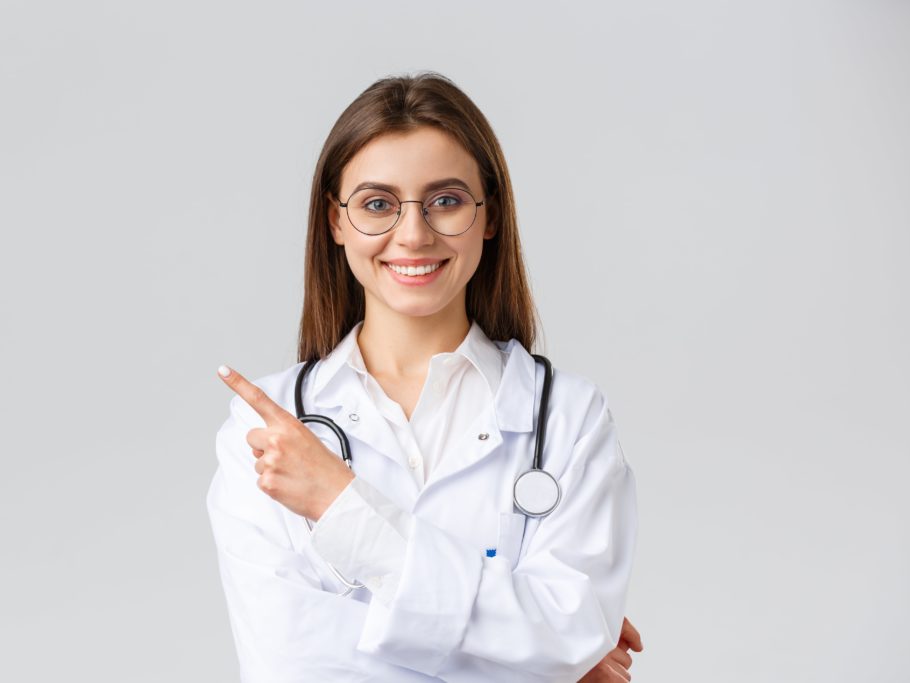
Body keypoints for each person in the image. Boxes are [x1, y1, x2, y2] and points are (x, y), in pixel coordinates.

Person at [207, 71, 642, 682]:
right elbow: (294, 666)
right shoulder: (266, 428)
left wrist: (342, 506)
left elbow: (570, 634)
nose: (413, 234)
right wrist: (534, 656)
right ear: (335, 221)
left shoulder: (569, 420)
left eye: (446, 200)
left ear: (488, 216)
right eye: (377, 204)